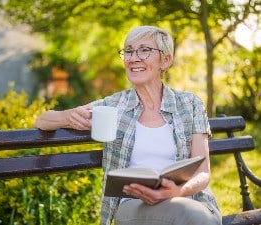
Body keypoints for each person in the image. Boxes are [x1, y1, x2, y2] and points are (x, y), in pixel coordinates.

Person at [35, 25, 222, 225]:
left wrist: (178, 191)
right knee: (194, 216)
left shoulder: (190, 104)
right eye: (129, 51)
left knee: (196, 214)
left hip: (188, 199)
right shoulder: (114, 106)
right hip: (133, 205)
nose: (133, 58)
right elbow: (42, 120)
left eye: (144, 50)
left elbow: (202, 173)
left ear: (165, 60)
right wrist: (68, 116)